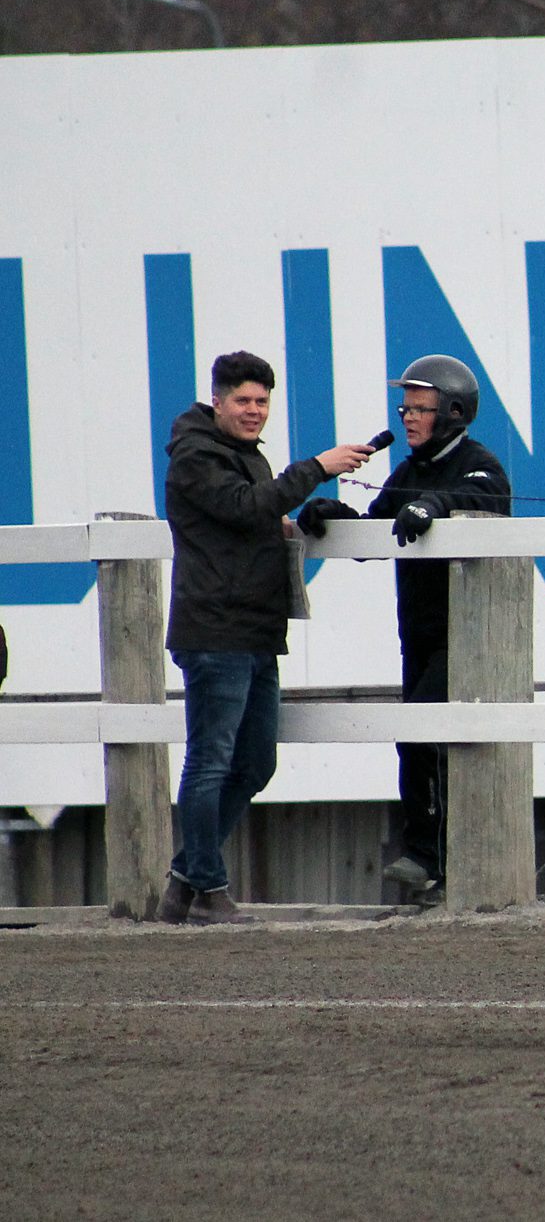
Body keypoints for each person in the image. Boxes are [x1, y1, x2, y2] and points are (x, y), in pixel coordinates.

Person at [160, 351, 373, 925]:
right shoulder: (196, 455)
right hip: (215, 631)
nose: (254, 410)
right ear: (217, 401)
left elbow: (250, 516)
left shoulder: (243, 454)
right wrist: (318, 468)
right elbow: (242, 506)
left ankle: (184, 880)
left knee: (254, 764)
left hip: (255, 631)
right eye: (243, 400)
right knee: (210, 763)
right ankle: (208, 890)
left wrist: (290, 517)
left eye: (262, 401)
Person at [296, 355, 511, 901]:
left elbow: (484, 496)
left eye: (420, 409)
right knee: (414, 738)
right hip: (418, 634)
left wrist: (434, 504)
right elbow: (377, 534)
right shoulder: (409, 472)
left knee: (425, 734)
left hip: (467, 638)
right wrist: (334, 518)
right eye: (405, 409)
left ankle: (433, 858)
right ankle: (432, 864)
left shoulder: (478, 463)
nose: (408, 418)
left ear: (454, 413)